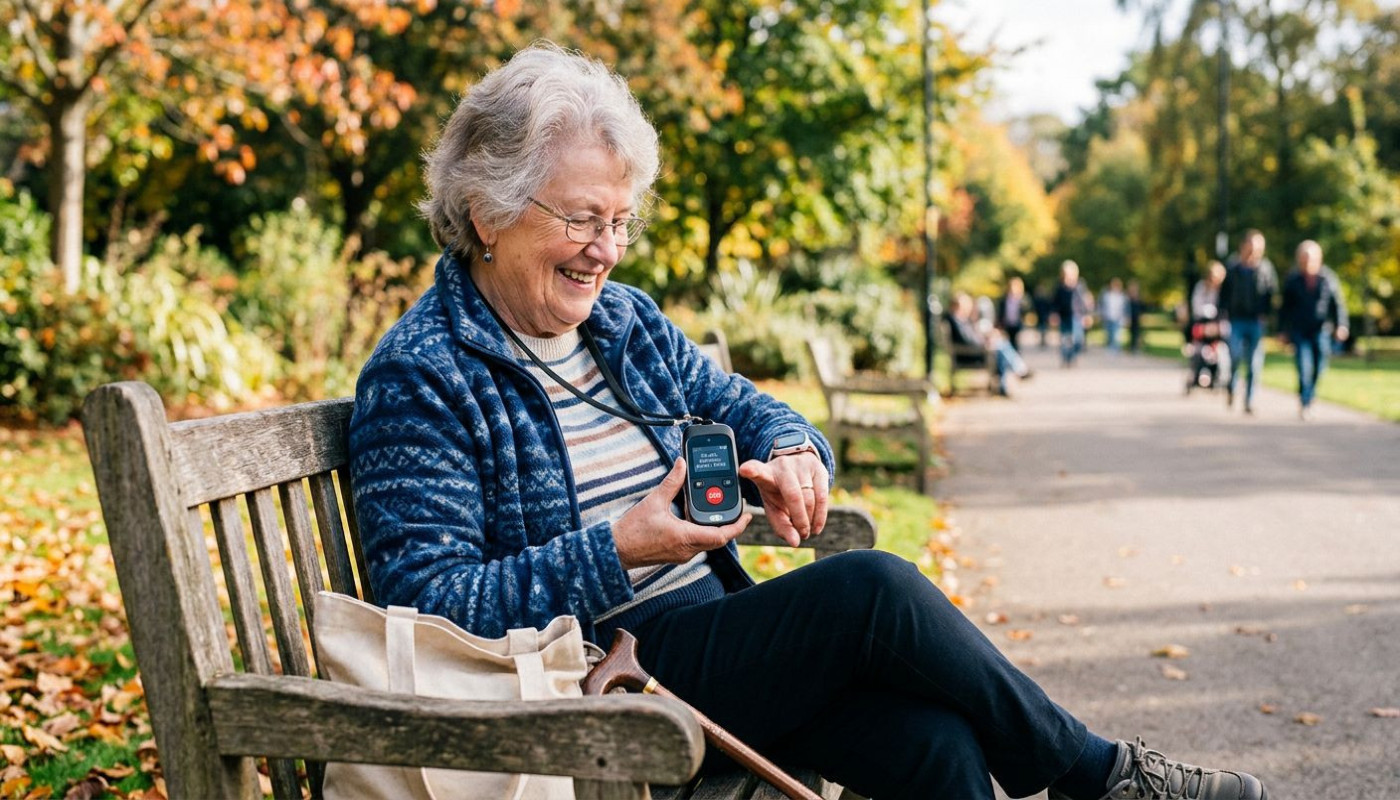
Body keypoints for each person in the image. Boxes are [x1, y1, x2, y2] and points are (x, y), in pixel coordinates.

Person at [348, 43, 1267, 800]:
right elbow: (425, 606)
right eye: (584, 219)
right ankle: (1098, 776)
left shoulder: (623, 323)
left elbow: (749, 408)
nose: (607, 250)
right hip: (590, 683)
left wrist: (793, 450)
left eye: (623, 221)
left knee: (935, 745)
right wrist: (619, 548)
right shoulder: (422, 373)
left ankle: (1083, 773)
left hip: (717, 650)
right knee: (870, 589)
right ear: (486, 211)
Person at [1278, 240, 1349, 421]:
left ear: (1319, 259)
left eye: (1311, 258)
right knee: (1303, 366)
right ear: (1299, 259)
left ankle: (1310, 395)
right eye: (1304, 258)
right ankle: (1305, 402)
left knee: (1320, 366)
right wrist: (1282, 330)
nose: (1307, 262)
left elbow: (1338, 305)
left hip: (1321, 330)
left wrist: (1342, 325)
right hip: (1300, 330)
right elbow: (1284, 308)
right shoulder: (1293, 280)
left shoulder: (1328, 278)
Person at [1218, 230, 1278, 414]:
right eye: (1251, 247)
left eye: (1259, 248)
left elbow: (1272, 294)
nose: (1254, 252)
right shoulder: (1232, 267)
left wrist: (1267, 314)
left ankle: (1249, 400)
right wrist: (1222, 315)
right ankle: (1231, 387)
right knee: (1234, 357)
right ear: (1243, 246)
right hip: (1236, 320)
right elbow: (1224, 294)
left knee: (1254, 363)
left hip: (1255, 321)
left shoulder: (1266, 268)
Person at [948, 292, 1033, 396]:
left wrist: (987, 338)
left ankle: (1007, 382)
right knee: (1001, 349)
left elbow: (971, 337)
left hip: (974, 351)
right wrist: (984, 343)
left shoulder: (962, 320)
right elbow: (967, 340)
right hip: (970, 354)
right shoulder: (956, 320)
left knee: (1001, 345)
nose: (967, 308)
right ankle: (1018, 371)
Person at [1052, 260, 1093, 367]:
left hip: (1077, 316)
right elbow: (1055, 302)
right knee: (1065, 339)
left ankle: (1072, 356)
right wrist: (1054, 314)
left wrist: (1087, 315)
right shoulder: (1060, 286)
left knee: (1078, 340)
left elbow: (1084, 302)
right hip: (1064, 316)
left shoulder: (1080, 285)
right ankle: (1066, 358)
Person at [997, 275, 1029, 353]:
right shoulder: (1004, 299)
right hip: (1007, 323)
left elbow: (1025, 311)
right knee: (1008, 342)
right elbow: (1001, 312)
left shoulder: (1021, 300)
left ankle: (1015, 359)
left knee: (1016, 343)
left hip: (1017, 323)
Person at [1098, 278, 1128, 353]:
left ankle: (1116, 348)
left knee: (1116, 334)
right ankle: (1110, 346)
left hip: (1117, 317)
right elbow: (1102, 305)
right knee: (1109, 333)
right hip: (1108, 317)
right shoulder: (1107, 295)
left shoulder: (1121, 296)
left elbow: (1124, 308)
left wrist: (1125, 317)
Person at [1126, 280, 1145, 354]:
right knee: (1132, 333)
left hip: (1137, 318)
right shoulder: (1127, 298)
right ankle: (1132, 347)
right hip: (1131, 317)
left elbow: (1142, 308)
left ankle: (1135, 347)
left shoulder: (1138, 298)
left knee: (1136, 333)